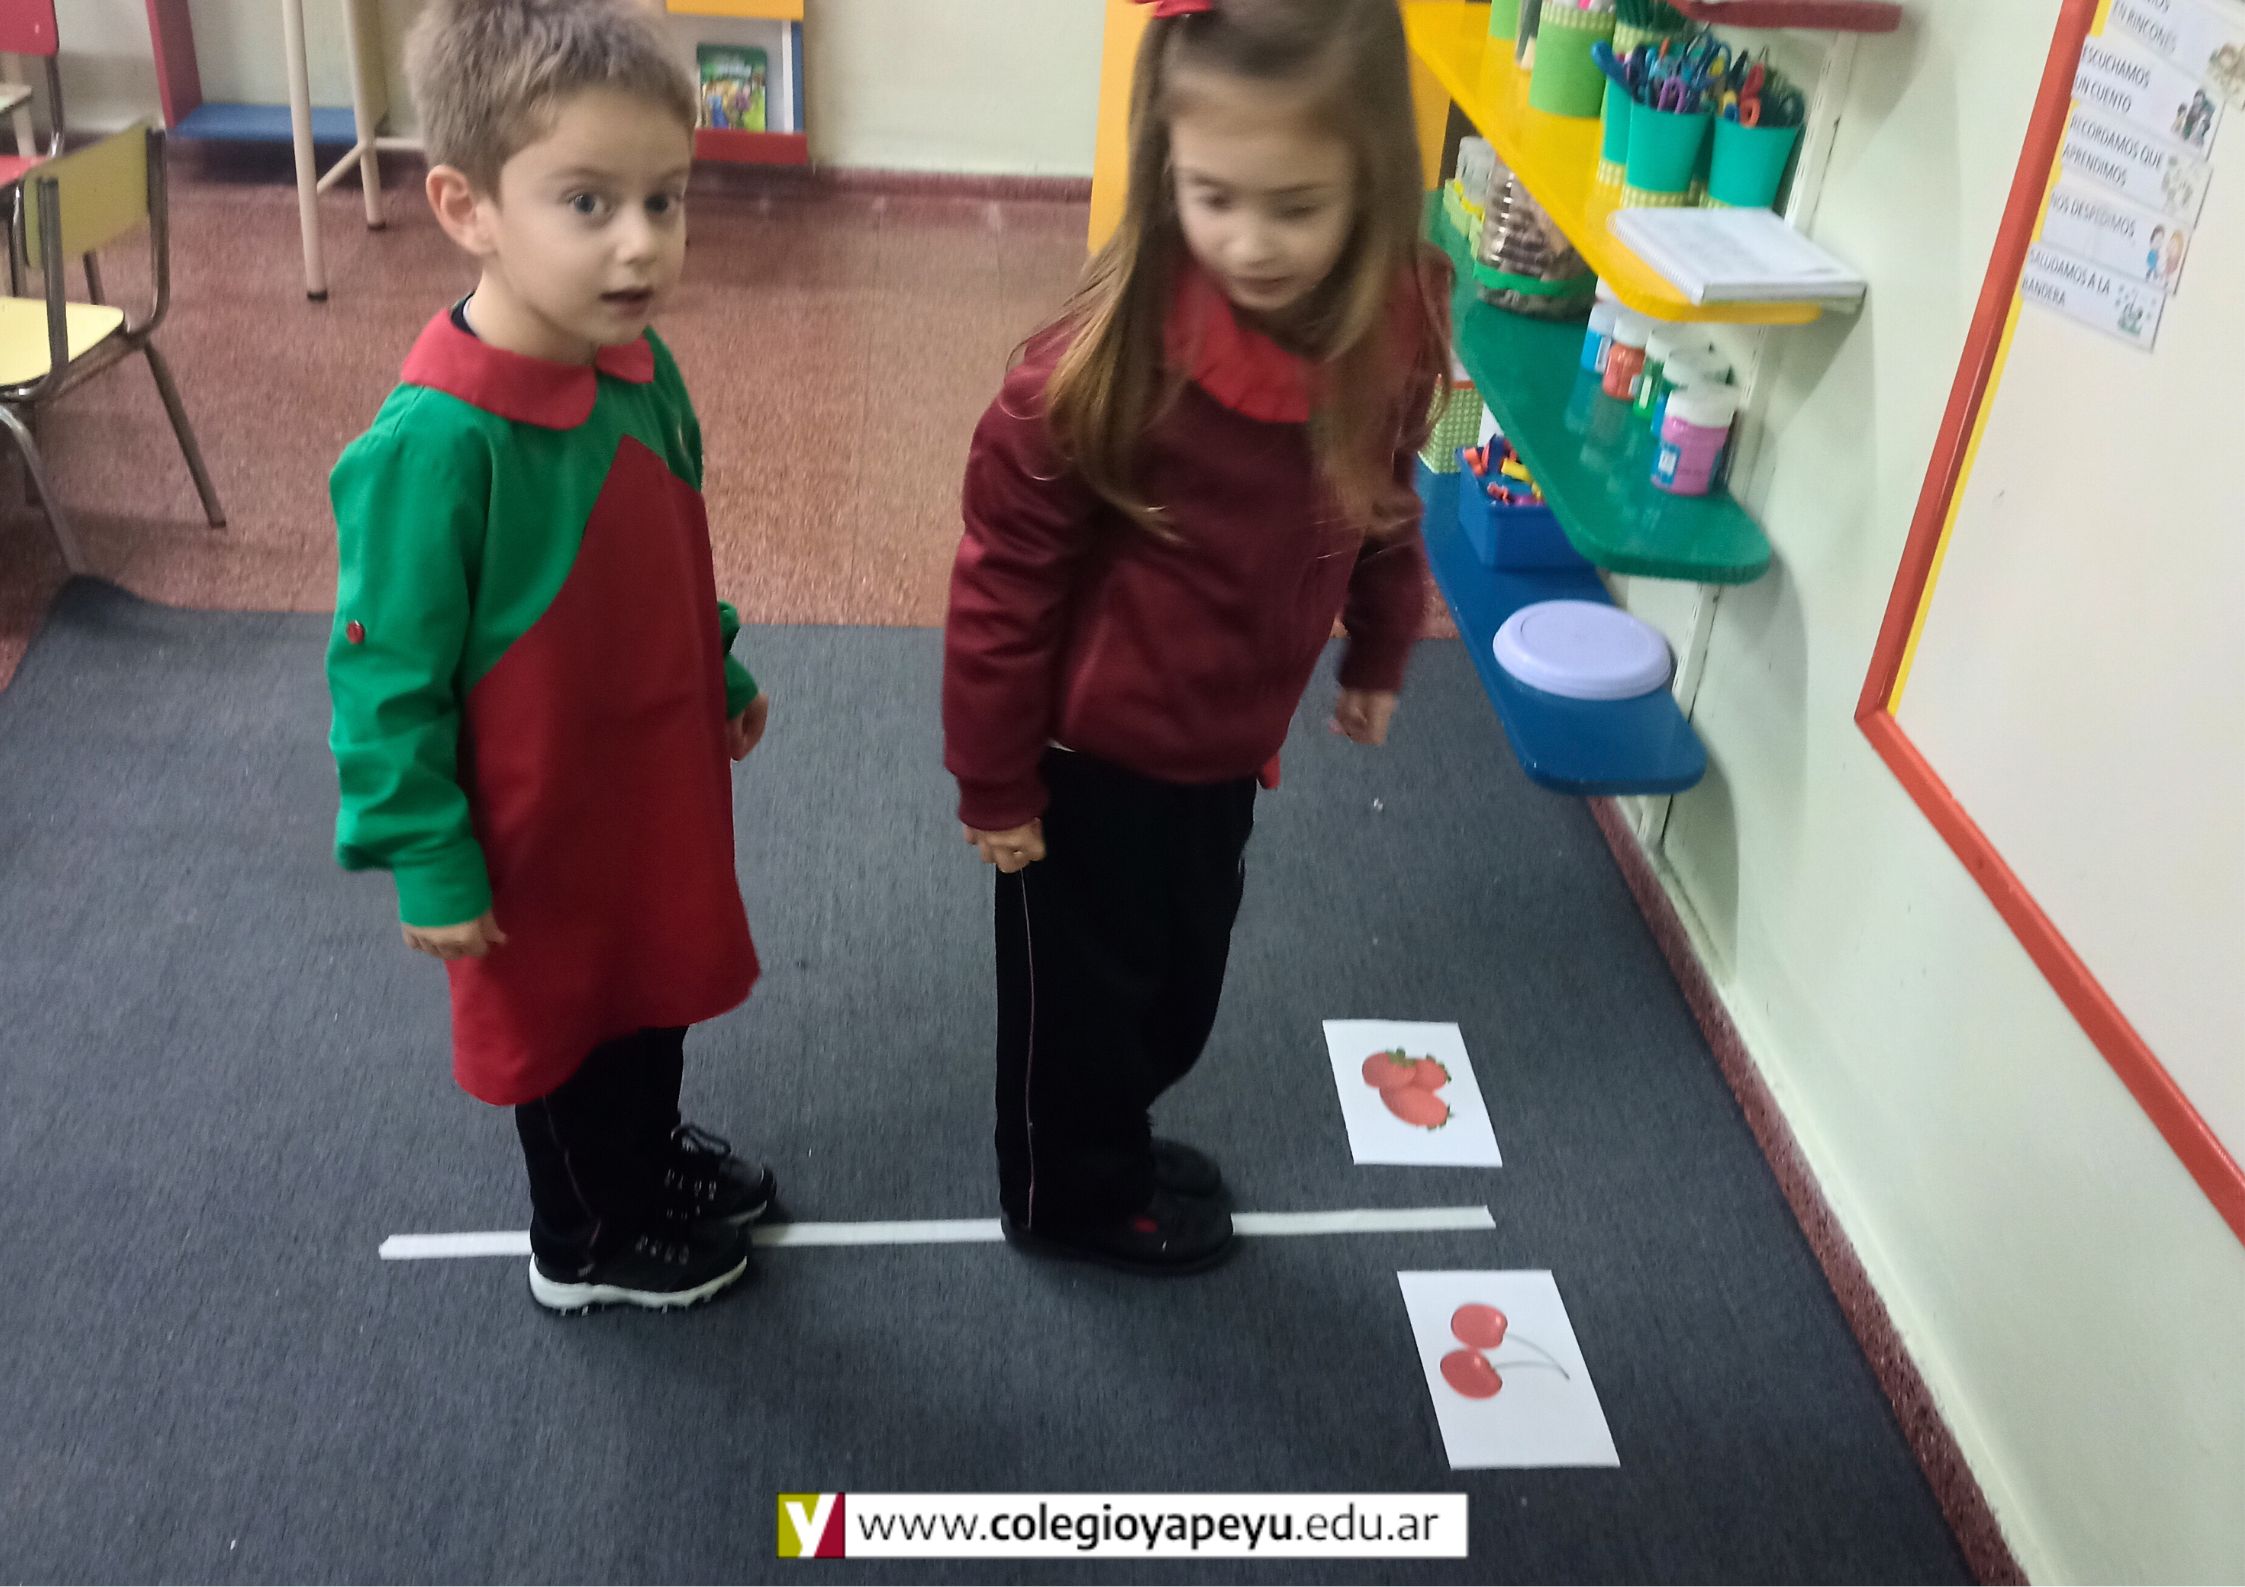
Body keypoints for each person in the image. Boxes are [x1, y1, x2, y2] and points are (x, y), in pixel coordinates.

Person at [942, 0, 1450, 1275]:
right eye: (1212, 197)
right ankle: (1069, 1197)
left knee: (1174, 993)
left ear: (1371, 180)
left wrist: (1380, 644)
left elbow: (1386, 489)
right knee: (1081, 1014)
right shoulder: (1093, 372)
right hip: (1088, 763)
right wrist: (994, 780)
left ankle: (1108, 1139)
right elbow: (1001, 587)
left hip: (1224, 744)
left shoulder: (1394, 328)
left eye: (1296, 205)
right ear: (1163, 164)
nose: (1251, 242)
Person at [326, 0, 775, 1314]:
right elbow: (382, 680)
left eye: (664, 199)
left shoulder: (640, 367)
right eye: (588, 203)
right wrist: (427, 855)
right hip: (533, 828)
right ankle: (585, 1236)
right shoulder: (434, 447)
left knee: (651, 985)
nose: (641, 242)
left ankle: (645, 1152)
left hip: (649, 788)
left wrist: (720, 669)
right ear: (466, 206)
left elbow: (674, 553)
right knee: (566, 1026)